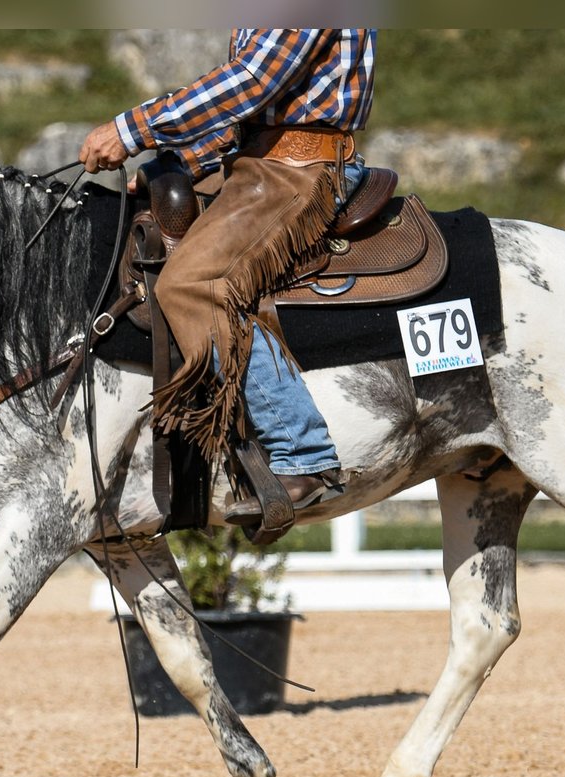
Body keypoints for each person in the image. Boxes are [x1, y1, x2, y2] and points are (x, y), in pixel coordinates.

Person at [79, 28, 375, 524]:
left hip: (302, 167)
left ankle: (302, 452)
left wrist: (130, 130)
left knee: (194, 283)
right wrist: (181, 162)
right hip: (258, 160)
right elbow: (251, 113)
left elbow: (253, 82)